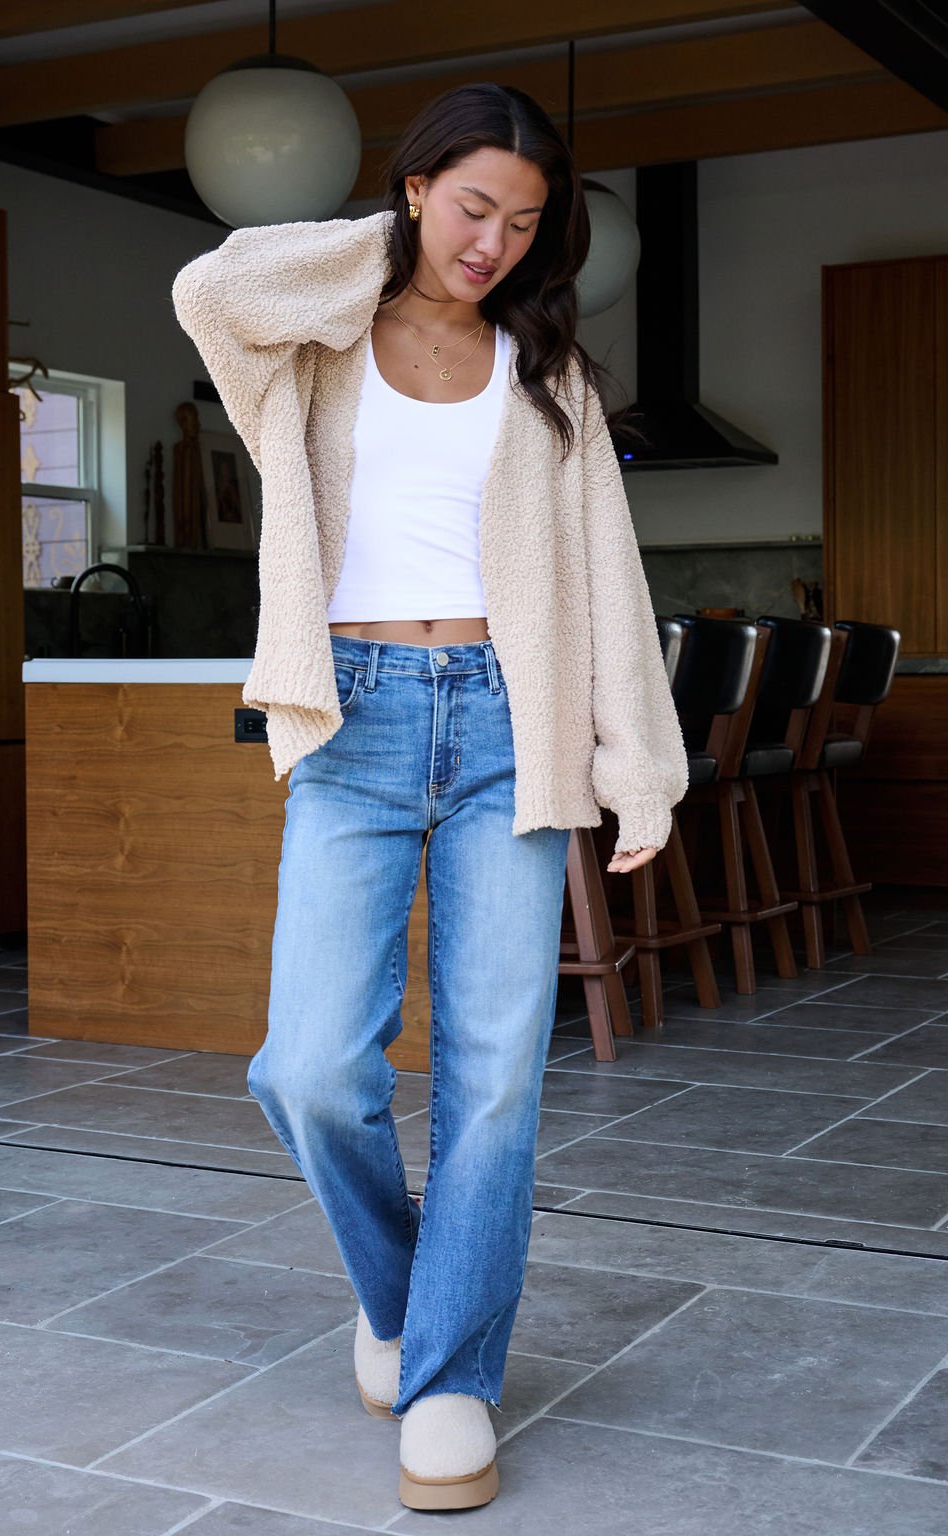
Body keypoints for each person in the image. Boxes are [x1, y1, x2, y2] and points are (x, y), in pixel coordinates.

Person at [171, 81, 688, 1513]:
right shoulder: (312, 345)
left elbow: (607, 579)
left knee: (492, 1083)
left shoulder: (551, 376)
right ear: (411, 190)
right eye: (472, 207)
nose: (495, 244)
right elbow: (210, 283)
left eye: (524, 223)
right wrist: (388, 252)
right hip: (357, 723)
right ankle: (405, 1293)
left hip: (512, 732)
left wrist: (636, 765)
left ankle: (450, 1376)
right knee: (312, 1069)